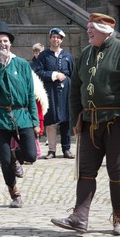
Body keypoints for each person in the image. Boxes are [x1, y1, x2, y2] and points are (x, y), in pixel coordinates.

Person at [51, 13, 120, 235]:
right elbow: (75, 89)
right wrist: (76, 118)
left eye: (92, 28)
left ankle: (119, 217)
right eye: (88, 28)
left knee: (117, 172)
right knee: (85, 171)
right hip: (89, 122)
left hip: (117, 121)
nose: (88, 31)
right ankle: (79, 218)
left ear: (106, 30)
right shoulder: (85, 54)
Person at [0, 21, 39, 208]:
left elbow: (30, 93)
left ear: (10, 43)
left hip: (22, 115)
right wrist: (1, 65)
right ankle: (14, 193)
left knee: (31, 155)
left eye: (5, 41)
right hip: (0, 117)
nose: (2, 44)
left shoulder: (22, 64)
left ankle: (16, 157)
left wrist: (35, 120)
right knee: (4, 161)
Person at [35, 28, 74, 159]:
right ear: (50, 39)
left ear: (61, 40)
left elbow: (72, 74)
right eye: (53, 37)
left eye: (58, 37)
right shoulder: (43, 55)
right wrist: (54, 75)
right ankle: (51, 150)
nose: (55, 39)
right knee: (51, 120)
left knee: (65, 120)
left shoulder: (67, 55)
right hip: (50, 91)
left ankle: (66, 149)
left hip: (65, 92)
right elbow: (39, 72)